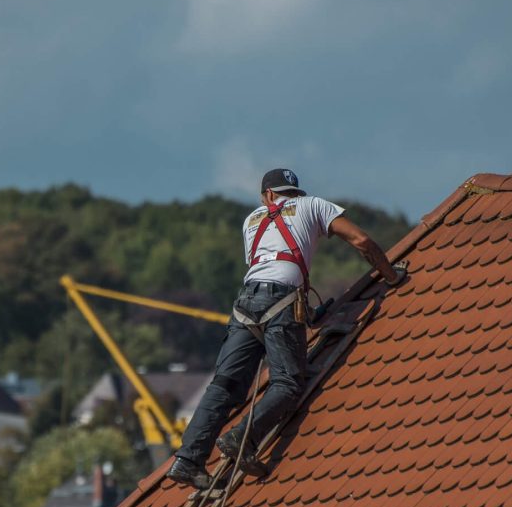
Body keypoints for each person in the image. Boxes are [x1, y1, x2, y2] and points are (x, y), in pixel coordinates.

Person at [166, 168, 405, 489]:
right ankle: (242, 438)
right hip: (282, 298)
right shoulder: (314, 205)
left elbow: (266, 266)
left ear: (267, 195)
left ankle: (188, 459)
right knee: (288, 383)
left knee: (224, 385)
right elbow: (361, 240)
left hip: (246, 303)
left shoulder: (251, 221)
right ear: (294, 193)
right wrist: (391, 276)